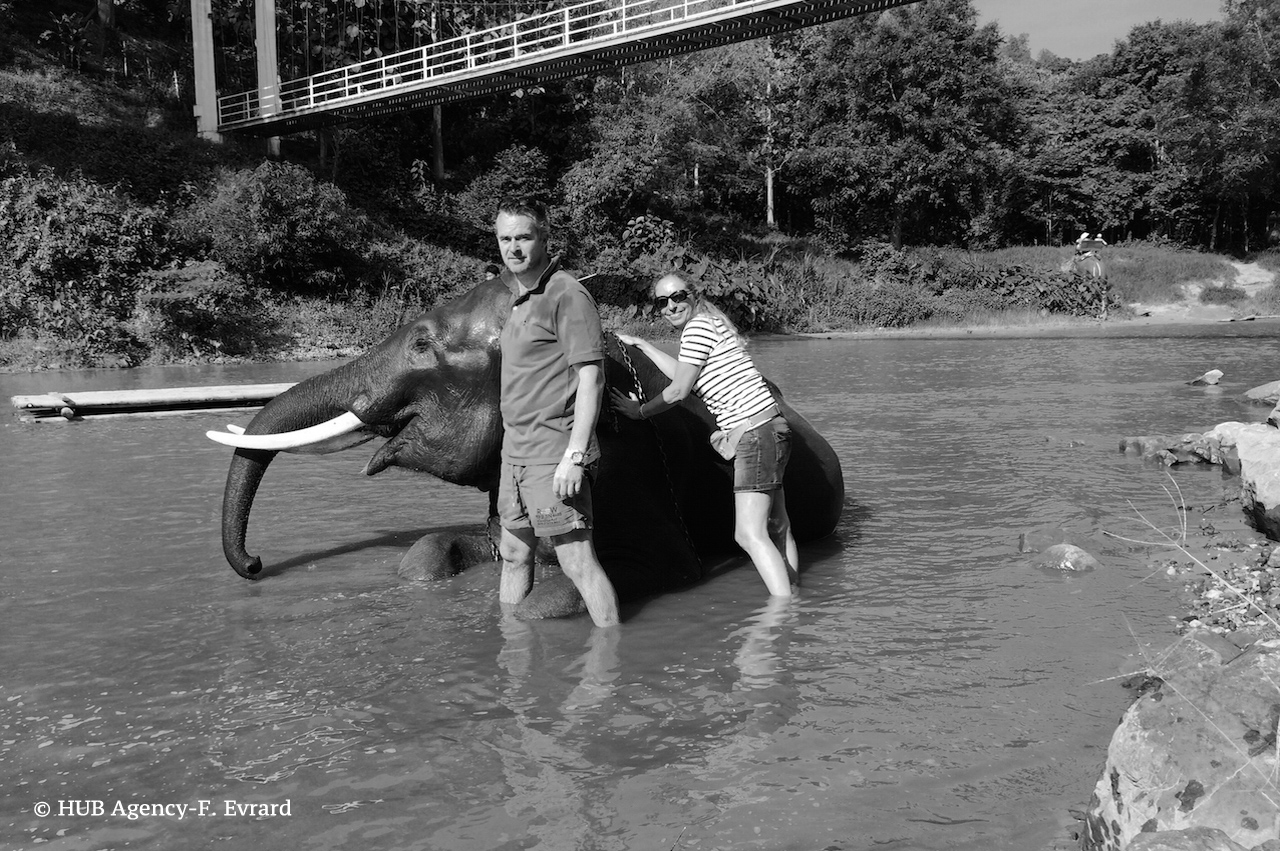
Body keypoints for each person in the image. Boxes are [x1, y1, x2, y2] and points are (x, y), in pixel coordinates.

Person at [609, 273, 798, 597]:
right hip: (772, 426)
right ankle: (794, 594)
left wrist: (638, 411)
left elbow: (679, 390)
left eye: (678, 297)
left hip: (754, 433)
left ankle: (782, 616)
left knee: (748, 534)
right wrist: (643, 346)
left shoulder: (696, 329)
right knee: (778, 526)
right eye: (662, 302)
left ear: (692, 295)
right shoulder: (711, 322)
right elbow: (689, 378)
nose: (670, 306)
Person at [493, 198, 620, 628]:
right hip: (515, 455)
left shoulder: (567, 293)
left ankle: (610, 665)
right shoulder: (519, 301)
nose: (514, 248)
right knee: (513, 553)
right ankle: (513, 652)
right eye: (506, 238)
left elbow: (592, 378)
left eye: (524, 237)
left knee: (576, 561)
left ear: (544, 239)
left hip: (553, 453)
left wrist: (575, 455)